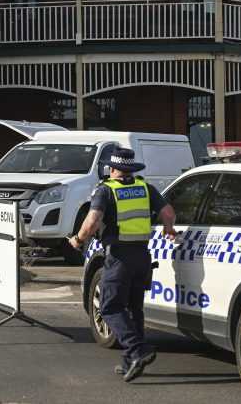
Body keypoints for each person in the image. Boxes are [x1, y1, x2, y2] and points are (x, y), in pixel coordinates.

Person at [68, 147, 177, 382]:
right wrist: (168, 228)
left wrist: (77, 240)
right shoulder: (145, 188)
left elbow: (93, 220)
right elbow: (167, 211)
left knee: (109, 307)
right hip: (142, 257)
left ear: (112, 168)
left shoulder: (106, 190)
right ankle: (131, 360)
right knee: (134, 309)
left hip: (119, 258)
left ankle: (138, 349)